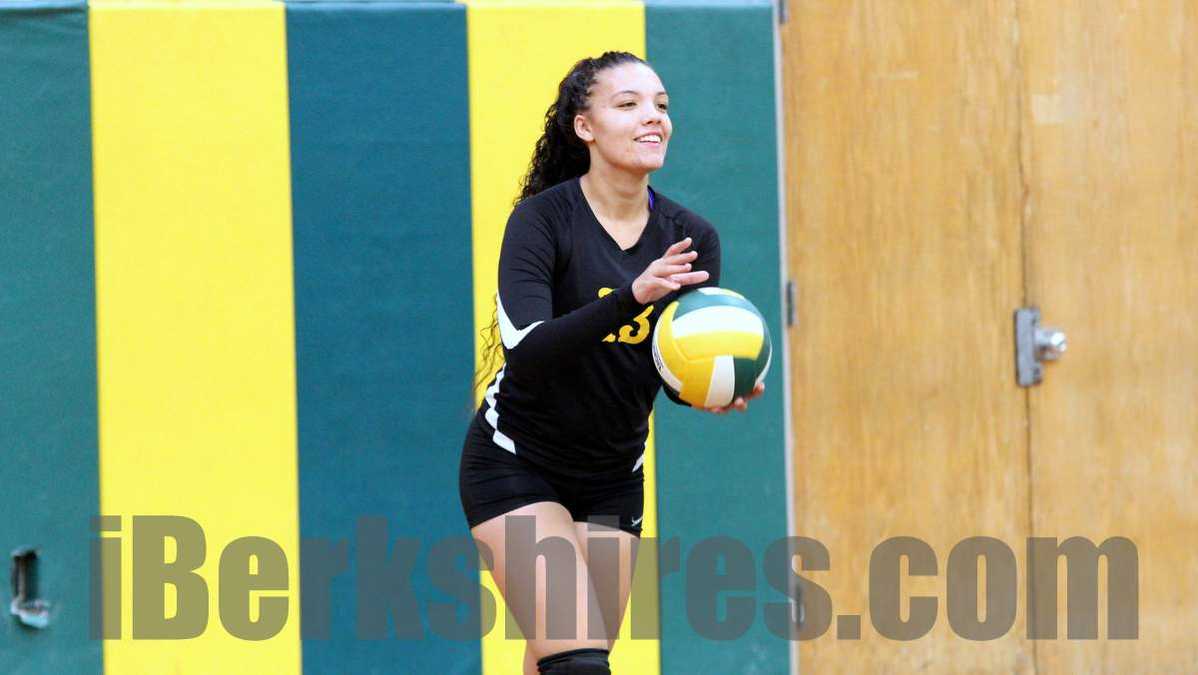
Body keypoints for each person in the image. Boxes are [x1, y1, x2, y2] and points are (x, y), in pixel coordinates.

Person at [458, 51, 765, 675]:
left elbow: (665, 363)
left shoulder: (690, 236)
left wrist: (710, 386)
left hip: (612, 476)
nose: (653, 117)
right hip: (517, 462)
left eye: (661, 105)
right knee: (579, 662)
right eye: (629, 104)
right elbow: (527, 351)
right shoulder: (543, 221)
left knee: (558, 659)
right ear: (585, 127)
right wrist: (632, 295)